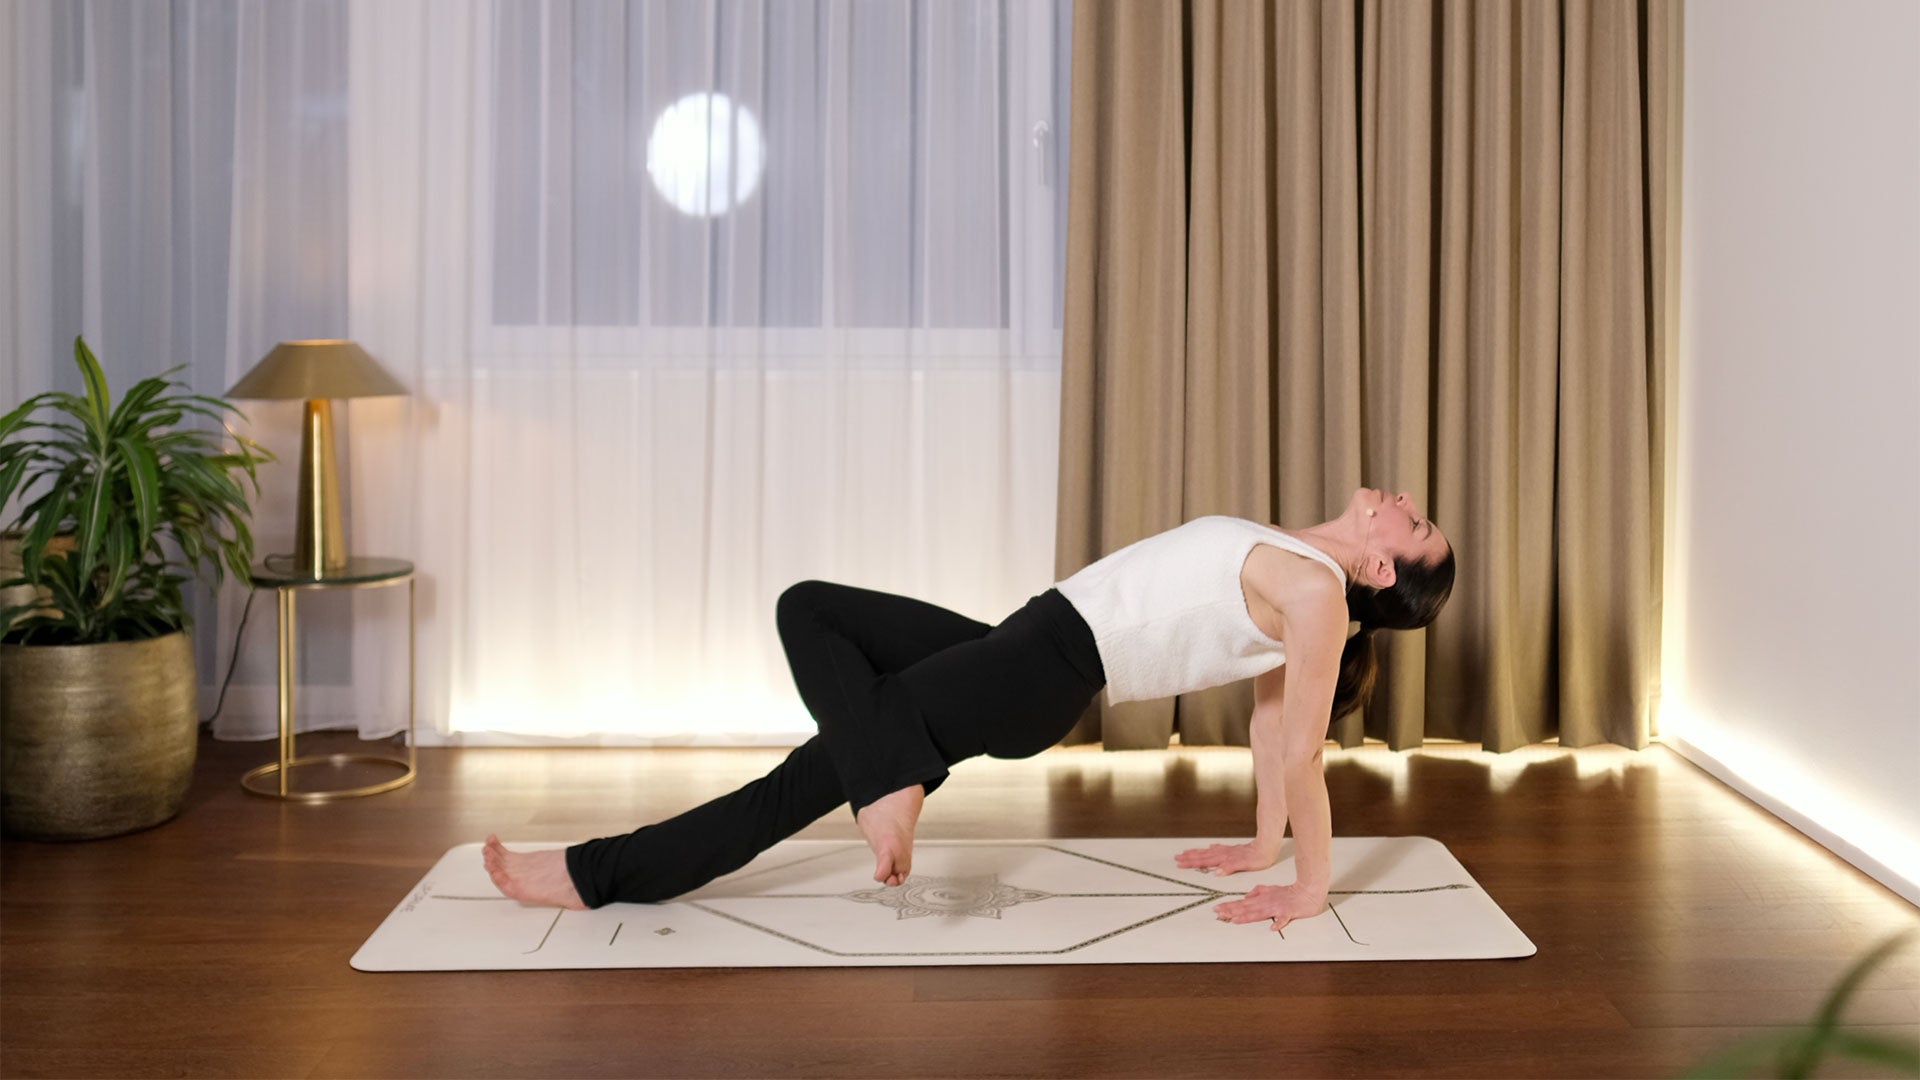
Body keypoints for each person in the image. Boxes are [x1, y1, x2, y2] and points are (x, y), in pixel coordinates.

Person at [484, 487, 1455, 932]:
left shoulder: (1319, 597)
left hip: (1039, 674)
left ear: (1381, 566)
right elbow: (1261, 726)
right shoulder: (1303, 564)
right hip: (1023, 643)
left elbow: (1295, 747)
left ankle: (590, 874)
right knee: (811, 609)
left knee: (802, 780)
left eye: (1414, 524)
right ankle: (890, 776)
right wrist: (1258, 843)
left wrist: (1307, 884)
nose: (1403, 499)